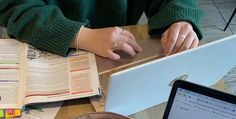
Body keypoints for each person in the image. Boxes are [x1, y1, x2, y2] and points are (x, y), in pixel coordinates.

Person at [0, 1, 203, 60]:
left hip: (116, 55)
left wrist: (181, 18)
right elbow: (13, 6)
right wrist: (80, 35)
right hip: (43, 46)